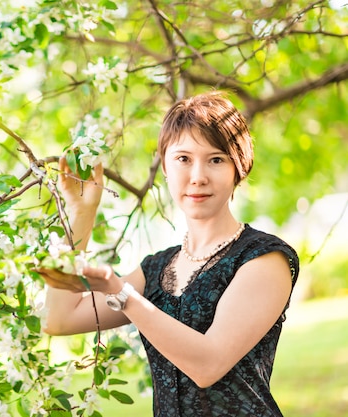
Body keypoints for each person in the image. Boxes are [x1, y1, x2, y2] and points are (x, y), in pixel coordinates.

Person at [37, 91, 299, 417]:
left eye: (216, 159)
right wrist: (81, 215)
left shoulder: (264, 259)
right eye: (183, 159)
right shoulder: (158, 269)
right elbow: (57, 319)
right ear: (165, 166)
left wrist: (122, 294)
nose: (197, 176)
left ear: (239, 167)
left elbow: (208, 364)